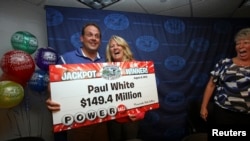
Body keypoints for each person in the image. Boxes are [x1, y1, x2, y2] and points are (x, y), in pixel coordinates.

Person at [46, 23, 109, 141]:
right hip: (77, 122)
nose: (94, 38)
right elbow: (52, 85)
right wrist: (52, 98)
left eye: (97, 36)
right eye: (90, 35)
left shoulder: (105, 62)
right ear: (81, 38)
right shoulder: (67, 58)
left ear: (100, 40)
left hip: (101, 120)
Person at [200, 27, 250, 126]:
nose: (241, 46)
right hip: (224, 112)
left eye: (245, 42)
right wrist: (203, 106)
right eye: (238, 43)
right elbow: (211, 85)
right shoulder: (224, 63)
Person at [106, 35, 145, 141]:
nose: (115, 47)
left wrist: (140, 113)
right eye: (112, 46)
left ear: (124, 47)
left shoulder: (137, 66)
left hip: (131, 119)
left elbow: (146, 91)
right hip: (113, 118)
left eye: (118, 44)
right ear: (109, 51)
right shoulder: (106, 69)